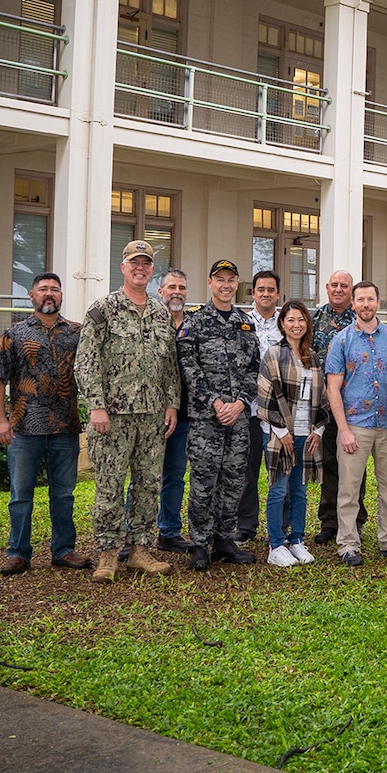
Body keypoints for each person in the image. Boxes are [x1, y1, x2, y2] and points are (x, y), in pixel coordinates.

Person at [74, 240, 180, 582]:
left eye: (146, 263)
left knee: (148, 484)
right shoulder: (103, 309)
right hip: (113, 417)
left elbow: (170, 367)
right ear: (123, 267)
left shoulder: (161, 313)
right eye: (135, 262)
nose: (140, 268)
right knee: (109, 484)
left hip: (152, 416)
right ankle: (107, 554)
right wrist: (97, 406)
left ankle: (140, 550)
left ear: (152, 270)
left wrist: (172, 404)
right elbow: (85, 362)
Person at [0, 272, 89, 575]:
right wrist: (0, 420)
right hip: (24, 429)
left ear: (61, 296)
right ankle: (18, 552)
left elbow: (94, 371)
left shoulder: (77, 333)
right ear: (31, 296)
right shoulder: (14, 333)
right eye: (43, 289)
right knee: (21, 494)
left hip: (65, 427)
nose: (49, 294)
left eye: (55, 290)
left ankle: (64, 550)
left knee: (64, 494)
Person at [177, 259, 262, 572]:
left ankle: (225, 539)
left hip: (238, 419)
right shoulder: (195, 322)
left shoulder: (245, 323)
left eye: (231, 279)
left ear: (236, 283)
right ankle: (199, 544)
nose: (225, 285)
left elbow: (255, 368)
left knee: (233, 479)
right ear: (210, 283)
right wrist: (215, 402)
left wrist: (240, 403)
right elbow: (188, 367)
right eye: (220, 279)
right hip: (205, 420)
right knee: (203, 481)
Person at [326, 281, 387, 567]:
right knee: (349, 489)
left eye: (370, 299)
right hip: (355, 426)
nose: (365, 304)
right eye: (360, 300)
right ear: (353, 304)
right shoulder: (341, 341)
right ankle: (348, 544)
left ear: (378, 302)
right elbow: (333, 389)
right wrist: (344, 430)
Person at [256, 300, 327, 567]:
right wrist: (281, 431)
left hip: (306, 435)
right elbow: (265, 396)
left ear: (307, 323)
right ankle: (276, 545)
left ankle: (296, 540)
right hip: (279, 434)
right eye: (290, 320)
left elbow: (322, 398)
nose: (296, 325)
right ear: (282, 324)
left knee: (299, 490)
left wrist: (318, 430)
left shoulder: (313, 356)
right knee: (278, 490)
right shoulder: (274, 354)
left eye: (301, 319)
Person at [235, 269, 283, 543]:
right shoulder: (241, 323)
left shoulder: (288, 323)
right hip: (250, 411)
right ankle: (246, 526)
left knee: (281, 473)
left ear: (278, 294)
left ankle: (284, 526)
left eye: (271, 290)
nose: (266, 294)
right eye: (261, 289)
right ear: (252, 293)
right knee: (247, 472)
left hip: (280, 413)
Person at [310, 270, 358, 545]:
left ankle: (354, 521)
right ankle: (329, 521)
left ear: (351, 290)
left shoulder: (359, 319)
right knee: (329, 462)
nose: (339, 289)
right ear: (327, 288)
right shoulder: (315, 319)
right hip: (324, 406)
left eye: (344, 285)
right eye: (335, 285)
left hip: (355, 408)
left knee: (354, 467)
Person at [154, 268, 192, 553]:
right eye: (171, 287)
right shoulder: (149, 322)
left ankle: (169, 531)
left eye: (181, 287)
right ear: (161, 291)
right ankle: (134, 535)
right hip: (150, 412)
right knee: (143, 477)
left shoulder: (195, 325)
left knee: (175, 476)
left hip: (185, 414)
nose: (176, 291)